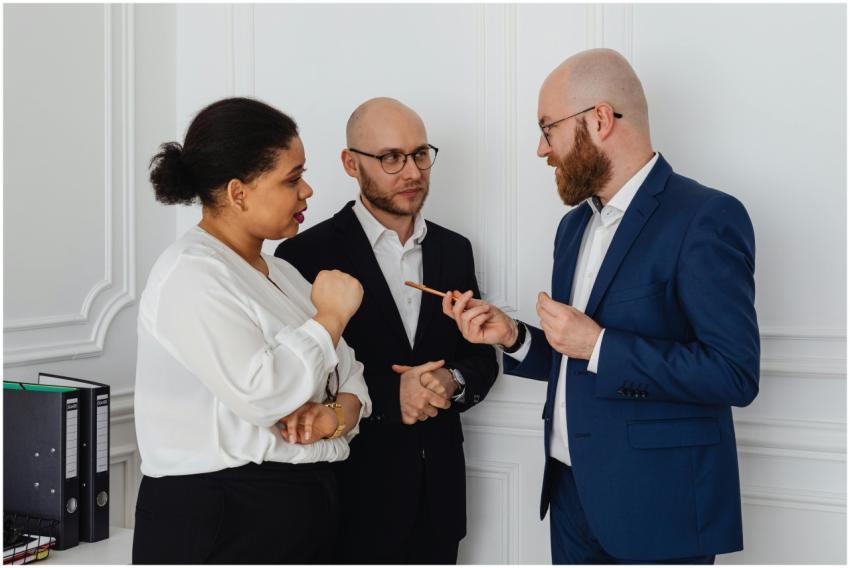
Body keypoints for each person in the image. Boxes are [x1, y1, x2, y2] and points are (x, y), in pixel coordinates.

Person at [443, 49, 760, 564]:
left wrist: (600, 343)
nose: (541, 149)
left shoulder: (706, 217)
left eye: (548, 128)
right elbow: (579, 360)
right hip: (570, 494)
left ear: (600, 119)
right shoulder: (572, 229)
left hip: (658, 506)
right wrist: (514, 337)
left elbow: (734, 374)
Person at [132, 97, 371, 564]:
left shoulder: (281, 273)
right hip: (220, 519)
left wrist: (333, 418)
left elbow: (353, 376)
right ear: (239, 193)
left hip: (295, 509)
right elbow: (264, 392)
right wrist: (331, 318)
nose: (308, 192)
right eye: (292, 178)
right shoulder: (190, 273)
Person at [275, 97, 499, 564]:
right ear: (350, 164)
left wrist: (450, 382)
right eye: (391, 157)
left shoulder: (456, 250)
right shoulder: (302, 255)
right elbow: (294, 384)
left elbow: (480, 359)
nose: (413, 171)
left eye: (420, 154)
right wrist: (388, 394)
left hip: (439, 505)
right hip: (347, 502)